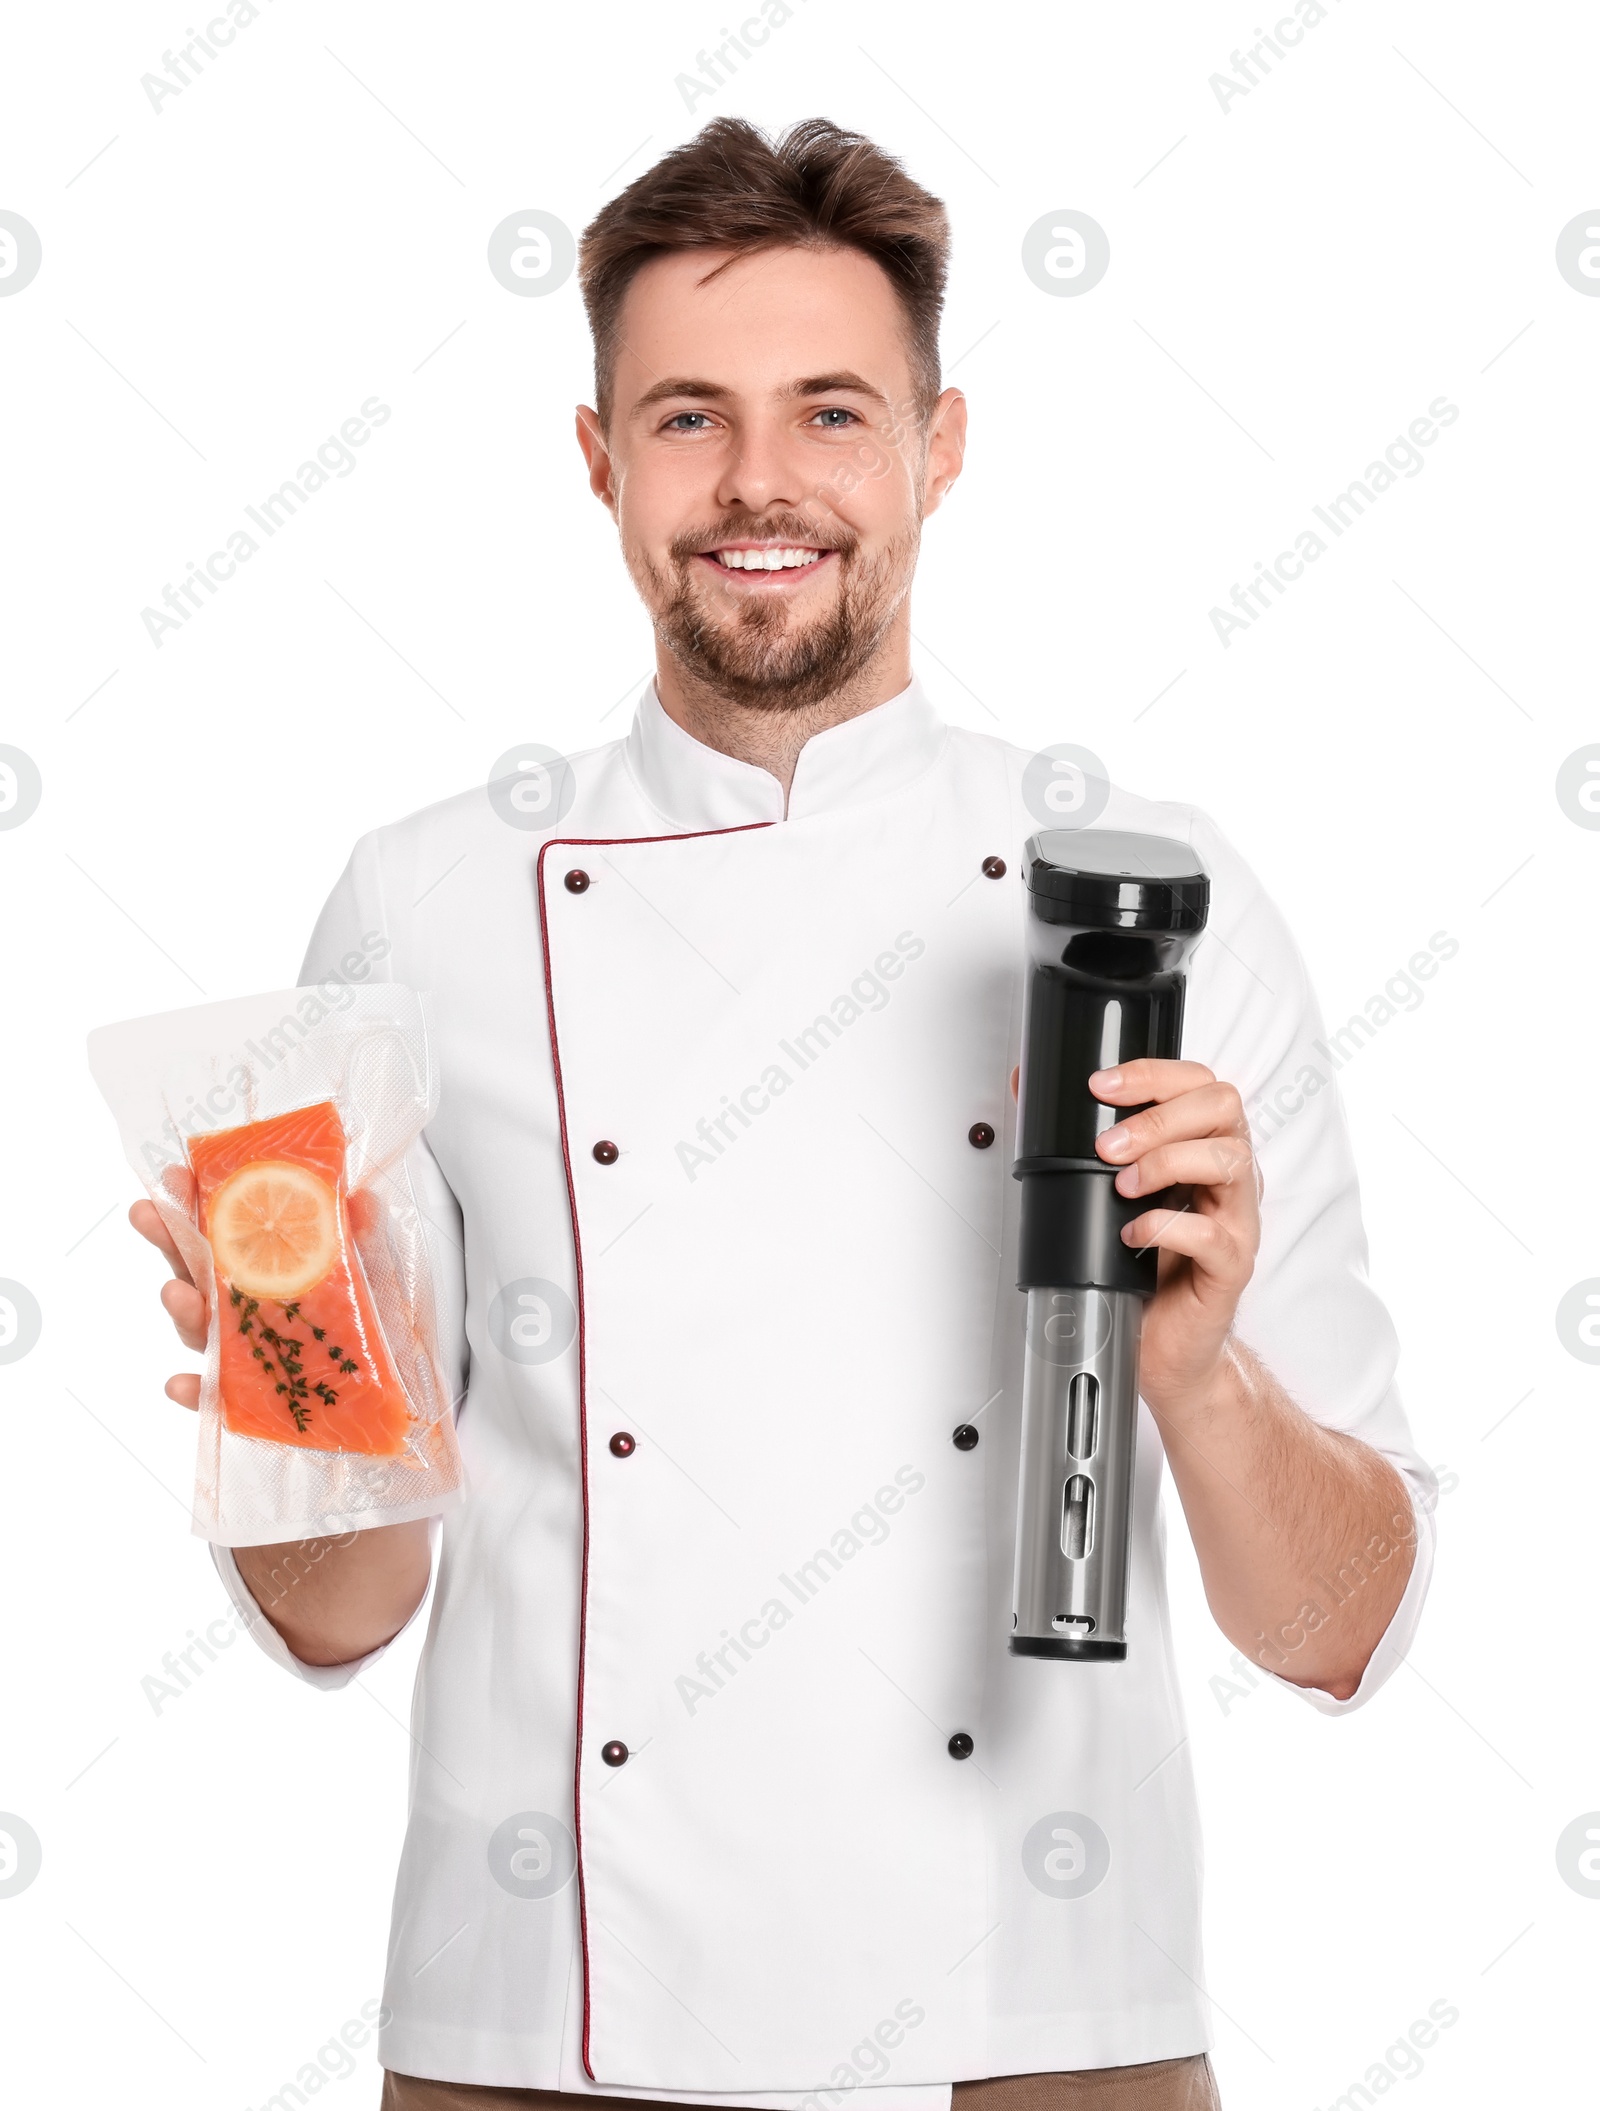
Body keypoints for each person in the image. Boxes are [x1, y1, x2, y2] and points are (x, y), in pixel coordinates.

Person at [132, 118, 1435, 2111]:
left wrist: (1199, 1382)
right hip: (540, 2037)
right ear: (596, 463)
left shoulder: (1146, 899)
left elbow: (1338, 1634)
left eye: (831, 411)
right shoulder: (410, 902)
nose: (759, 483)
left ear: (939, 444)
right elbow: (339, 1625)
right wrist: (295, 1403)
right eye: (684, 418)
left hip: (1043, 2040)